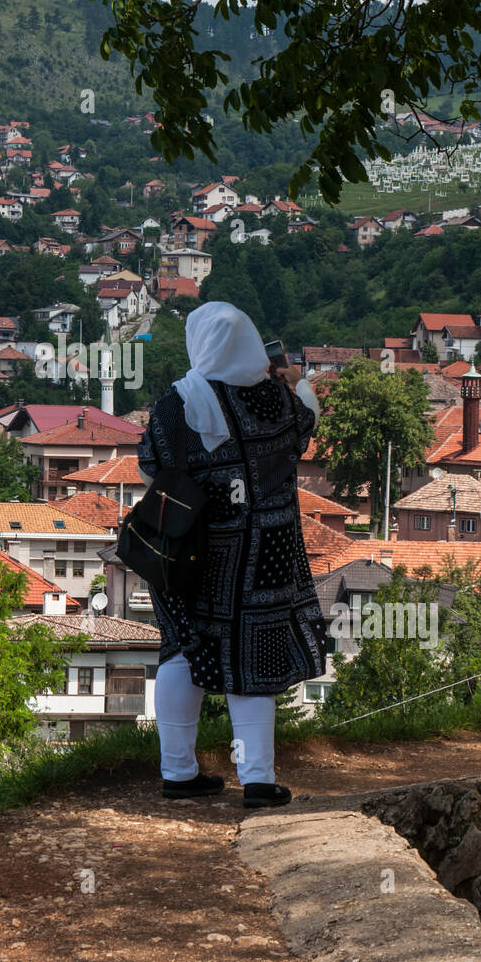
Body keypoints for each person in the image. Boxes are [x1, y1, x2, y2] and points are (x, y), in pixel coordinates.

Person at [136, 302, 328, 808]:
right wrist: (294, 381)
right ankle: (258, 781)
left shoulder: (178, 401)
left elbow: (150, 465)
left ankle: (178, 773)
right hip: (265, 549)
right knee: (253, 656)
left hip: (189, 546)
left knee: (180, 649)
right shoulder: (274, 399)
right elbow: (304, 428)